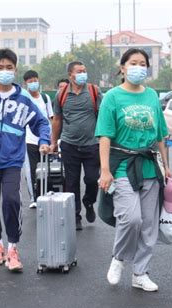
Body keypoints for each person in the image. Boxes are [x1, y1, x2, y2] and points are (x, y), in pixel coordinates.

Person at [0, 48, 50, 272]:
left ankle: (13, 248)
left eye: (9, 68)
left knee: (12, 201)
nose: (4, 71)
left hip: (13, 160)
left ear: (15, 70)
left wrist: (44, 139)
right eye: (0, 68)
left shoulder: (23, 98)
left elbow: (41, 122)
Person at [96, 48, 171, 292]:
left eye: (142, 63)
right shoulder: (112, 97)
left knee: (149, 224)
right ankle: (119, 258)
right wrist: (105, 170)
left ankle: (140, 273)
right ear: (122, 67)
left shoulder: (151, 95)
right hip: (122, 165)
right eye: (133, 62)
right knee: (131, 218)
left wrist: (166, 166)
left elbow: (160, 135)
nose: (138, 67)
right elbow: (105, 136)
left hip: (150, 165)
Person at [51, 61, 103, 230]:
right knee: (71, 183)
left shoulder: (94, 91)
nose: (83, 73)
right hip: (69, 145)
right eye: (79, 71)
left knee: (91, 179)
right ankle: (75, 216)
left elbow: (103, 117)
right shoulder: (61, 94)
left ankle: (89, 202)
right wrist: (53, 142)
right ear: (70, 75)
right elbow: (57, 120)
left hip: (92, 145)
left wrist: (105, 141)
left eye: (84, 70)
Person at [23, 70, 54, 208]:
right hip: (28, 140)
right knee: (31, 170)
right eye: (30, 81)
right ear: (26, 84)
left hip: (45, 139)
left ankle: (46, 193)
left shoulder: (45, 97)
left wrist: (52, 139)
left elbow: (51, 118)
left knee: (46, 168)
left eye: (35, 80)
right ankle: (34, 197)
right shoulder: (23, 98)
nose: (33, 83)